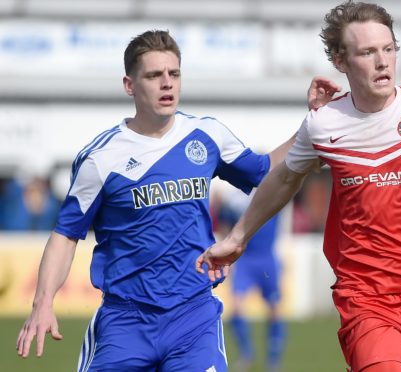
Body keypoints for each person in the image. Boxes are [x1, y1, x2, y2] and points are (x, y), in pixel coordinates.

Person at [196, 2, 401, 372]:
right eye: (368, 52)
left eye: (388, 49)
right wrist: (239, 236)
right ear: (341, 62)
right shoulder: (324, 124)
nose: (382, 61)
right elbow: (284, 177)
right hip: (366, 297)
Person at [15, 29, 339, 371]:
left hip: (193, 316)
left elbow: (264, 170)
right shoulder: (100, 158)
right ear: (130, 85)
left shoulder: (207, 136)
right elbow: (66, 234)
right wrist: (42, 302)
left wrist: (311, 123)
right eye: (154, 75)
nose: (167, 83)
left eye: (174, 74)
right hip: (125, 321)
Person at [217, 188, 285, 372]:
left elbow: (289, 183)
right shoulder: (232, 199)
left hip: (267, 258)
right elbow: (224, 225)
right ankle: (246, 354)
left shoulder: (272, 189)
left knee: (275, 310)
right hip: (245, 259)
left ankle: (273, 360)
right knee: (236, 307)